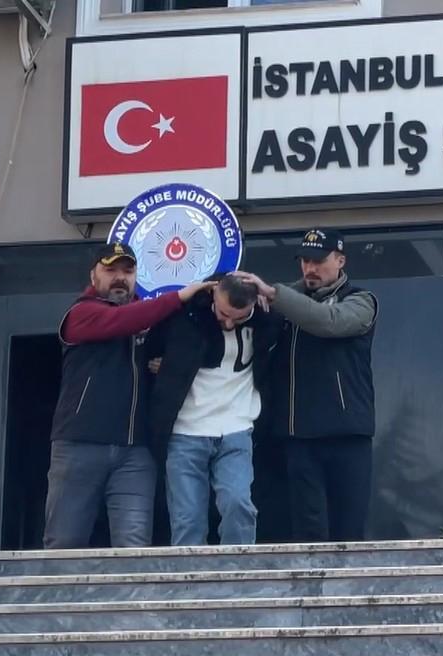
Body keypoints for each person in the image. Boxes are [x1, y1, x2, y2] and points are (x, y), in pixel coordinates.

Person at [45, 242, 211, 549]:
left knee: (134, 546)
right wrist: (180, 296)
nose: (120, 277)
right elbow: (124, 320)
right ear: (93, 276)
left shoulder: (149, 321)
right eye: (111, 270)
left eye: (128, 271)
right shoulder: (82, 312)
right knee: (65, 540)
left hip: (136, 452)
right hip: (79, 445)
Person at [233, 228, 377, 542]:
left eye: (318, 261)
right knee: (306, 532)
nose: (310, 268)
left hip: (347, 435)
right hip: (296, 436)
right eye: (305, 261)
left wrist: (275, 295)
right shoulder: (278, 301)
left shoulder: (361, 299)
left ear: (340, 260)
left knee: (348, 530)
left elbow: (329, 321)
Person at [146, 274, 280, 547]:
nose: (229, 323)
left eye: (239, 317)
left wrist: (271, 293)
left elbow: (302, 314)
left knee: (238, 504)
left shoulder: (267, 319)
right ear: (214, 294)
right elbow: (149, 349)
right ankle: (192, 576)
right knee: (188, 520)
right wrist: (166, 367)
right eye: (223, 313)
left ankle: (238, 571)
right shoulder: (186, 316)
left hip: (237, 428)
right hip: (185, 431)